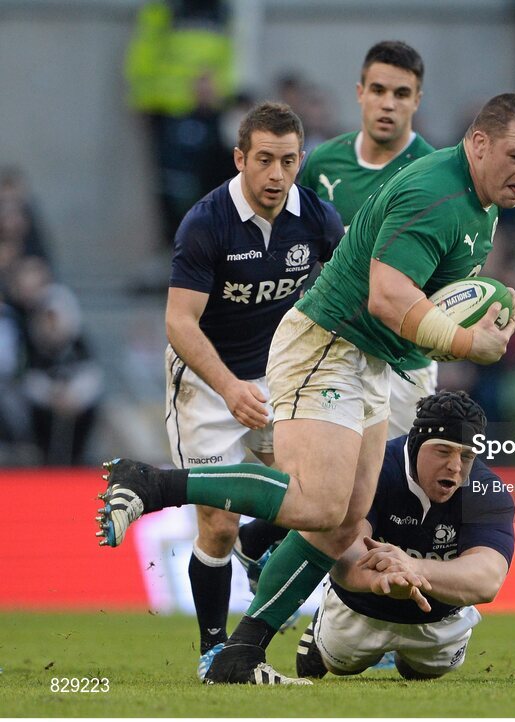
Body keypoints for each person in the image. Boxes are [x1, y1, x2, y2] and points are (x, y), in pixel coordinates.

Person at [97, 92, 515, 685]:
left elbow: (426, 305)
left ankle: (241, 652)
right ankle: (152, 482)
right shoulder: (437, 194)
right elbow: (387, 297)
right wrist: (469, 345)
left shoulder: (481, 209)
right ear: (480, 142)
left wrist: (483, 311)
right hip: (328, 343)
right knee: (319, 503)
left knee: (341, 525)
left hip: (371, 360)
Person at [162, 101, 342, 663]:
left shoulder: (315, 217)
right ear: (240, 158)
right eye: (263, 160)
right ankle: (214, 650)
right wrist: (230, 387)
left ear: (300, 161)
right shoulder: (206, 222)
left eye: (288, 161)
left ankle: (262, 553)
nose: (275, 175)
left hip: (283, 380)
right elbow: (179, 322)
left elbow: (351, 288)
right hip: (206, 383)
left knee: (310, 502)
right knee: (217, 522)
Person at [288, 390, 513, 681]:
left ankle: (412, 659)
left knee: (423, 672)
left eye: (467, 455)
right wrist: (380, 581)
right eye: (443, 451)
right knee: (343, 665)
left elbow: (488, 579)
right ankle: (322, 633)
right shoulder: (372, 467)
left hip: (437, 616)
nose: (456, 466)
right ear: (416, 444)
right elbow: (344, 552)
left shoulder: (486, 490)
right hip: (363, 607)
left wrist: (412, 566)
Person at [298, 40, 437, 438]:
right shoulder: (322, 163)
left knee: (396, 488)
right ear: (360, 93)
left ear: (417, 101)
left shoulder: (435, 176)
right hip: (334, 353)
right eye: (378, 90)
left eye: (401, 93)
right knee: (331, 487)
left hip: (403, 361)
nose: (388, 104)